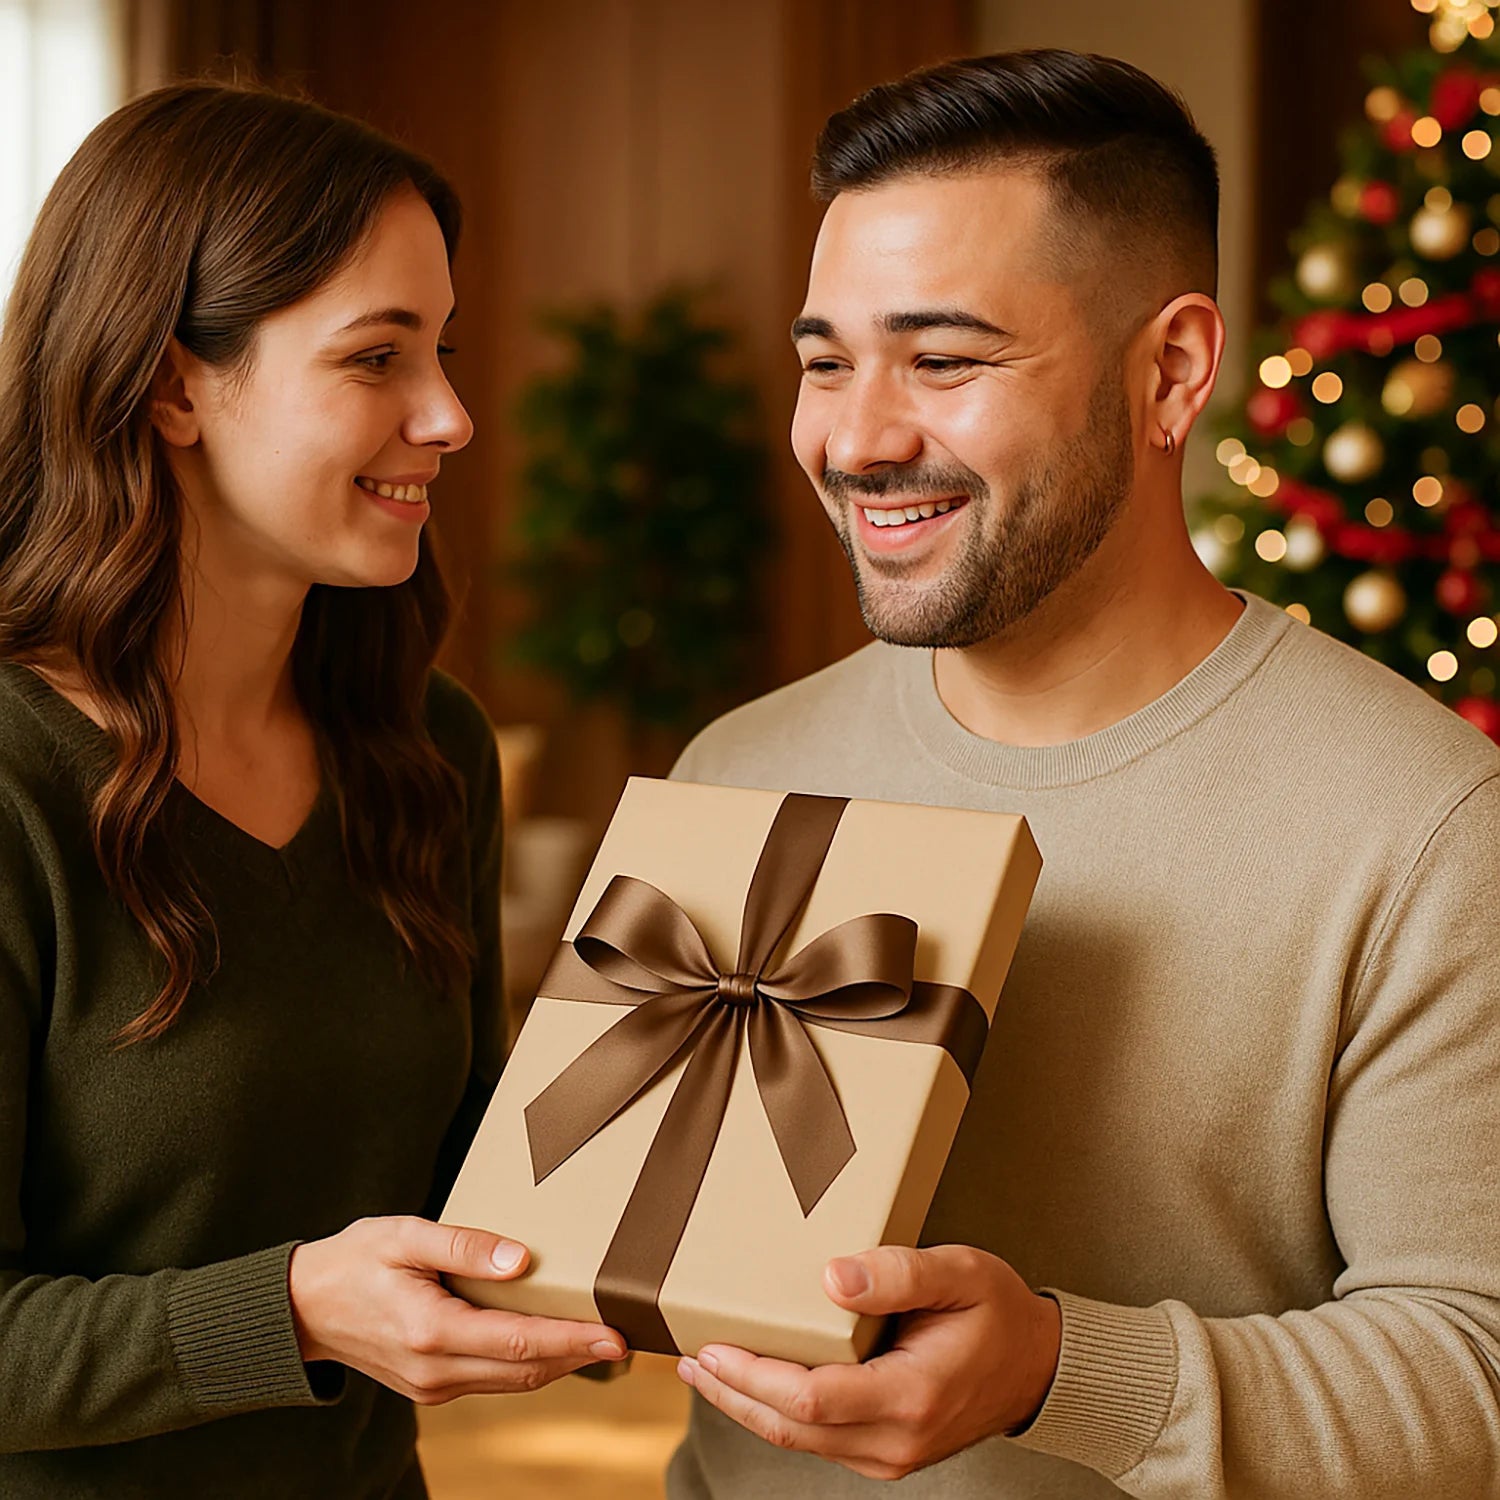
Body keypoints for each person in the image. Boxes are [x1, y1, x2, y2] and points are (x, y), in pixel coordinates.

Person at [668, 50, 1500, 1499]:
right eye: (825, 362)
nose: (855, 440)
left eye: (943, 361)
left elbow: (1476, 1371)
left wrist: (1061, 1371)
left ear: (1171, 371)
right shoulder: (737, 772)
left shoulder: (1425, 826)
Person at [0, 83, 625, 1500]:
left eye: (442, 352)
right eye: (376, 358)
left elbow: (464, 1169)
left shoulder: (428, 748)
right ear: (172, 387)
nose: (451, 416)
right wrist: (286, 1314)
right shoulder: (14, 782)